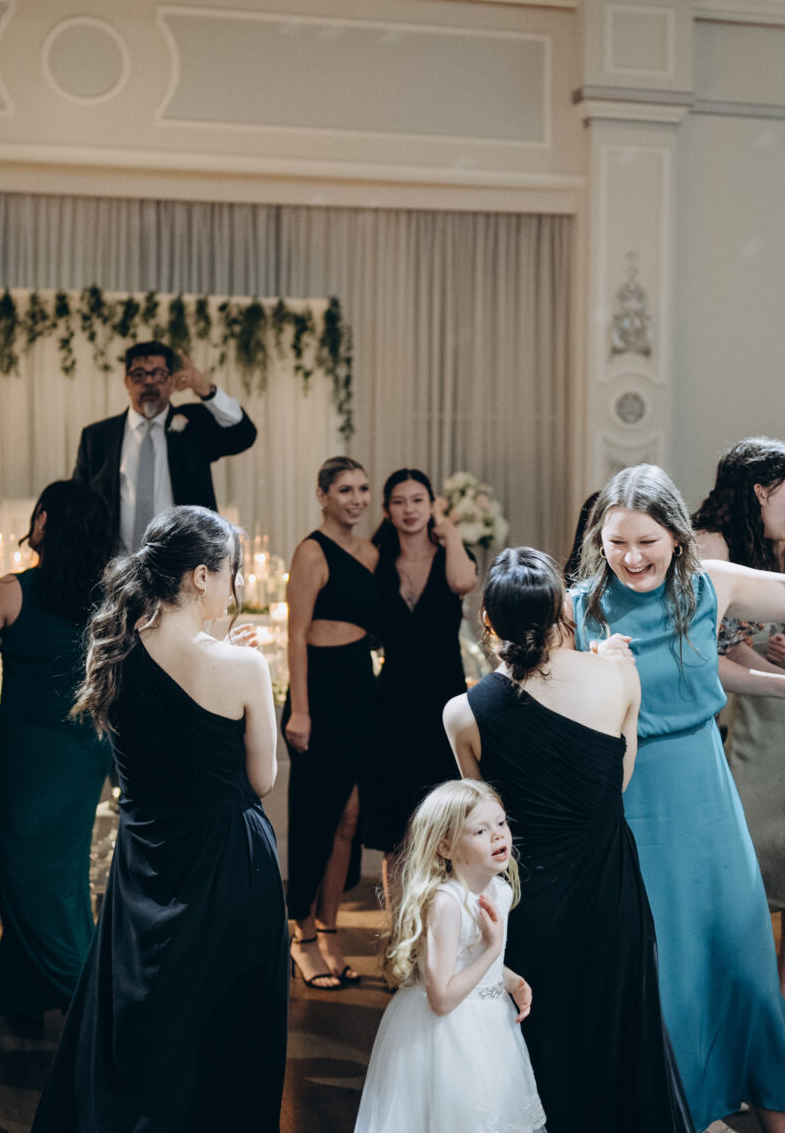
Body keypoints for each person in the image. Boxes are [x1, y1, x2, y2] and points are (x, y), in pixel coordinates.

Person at [568, 462, 785, 1132]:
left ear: (676, 537)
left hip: (704, 794)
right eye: (617, 543)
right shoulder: (579, 606)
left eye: (646, 542)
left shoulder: (708, 583)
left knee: (740, 960)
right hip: (626, 801)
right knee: (662, 969)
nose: (631, 557)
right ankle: (675, 1111)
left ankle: (778, 1114)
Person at [31, 505, 286, 1133]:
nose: (235, 585)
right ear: (200, 576)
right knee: (223, 1022)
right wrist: (239, 668)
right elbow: (261, 780)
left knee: (149, 1009)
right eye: (231, 572)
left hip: (146, 857)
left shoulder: (115, 647)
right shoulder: (245, 666)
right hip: (226, 859)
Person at [443, 547, 692, 1133]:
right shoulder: (619, 675)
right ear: (563, 609)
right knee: (614, 1036)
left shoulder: (462, 712)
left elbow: (488, 821)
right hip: (609, 889)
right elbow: (617, 784)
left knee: (540, 1041)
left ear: (489, 622)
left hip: (529, 897)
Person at [0, 482, 112, 1020]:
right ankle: (21, 991)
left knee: (28, 871)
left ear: (43, 524)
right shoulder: (115, 598)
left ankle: (90, 999)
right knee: (59, 873)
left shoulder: (10, 591)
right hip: (87, 749)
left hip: (30, 754)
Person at [692, 438, 785, 1028]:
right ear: (760, 491)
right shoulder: (709, 550)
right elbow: (700, 660)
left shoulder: (738, 548)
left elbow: (729, 645)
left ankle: (748, 1004)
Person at [353, 779, 545, 1133]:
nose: (498, 835)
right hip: (446, 1033)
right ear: (445, 846)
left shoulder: (499, 890)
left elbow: (471, 960)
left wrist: (509, 979)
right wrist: (492, 950)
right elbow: (441, 999)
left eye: (501, 823)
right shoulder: (447, 904)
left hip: (490, 1025)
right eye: (480, 831)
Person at [282, 457, 378, 990]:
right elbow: (295, 635)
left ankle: (329, 930)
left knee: (350, 817)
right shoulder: (311, 552)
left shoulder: (371, 553)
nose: (357, 499)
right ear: (323, 496)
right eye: (345, 490)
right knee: (314, 816)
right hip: (317, 692)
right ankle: (300, 935)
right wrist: (300, 709)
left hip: (359, 688)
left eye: (363, 489)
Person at [364, 469, 476, 862]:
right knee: (395, 825)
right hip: (392, 698)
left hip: (444, 697)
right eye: (399, 502)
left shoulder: (450, 553)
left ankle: (441, 901)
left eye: (418, 500)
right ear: (386, 510)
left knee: (444, 816)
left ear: (432, 506)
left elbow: (462, 583)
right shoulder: (377, 559)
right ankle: (398, 906)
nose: (409, 510)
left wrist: (451, 533)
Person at [71, 339, 259, 552]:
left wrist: (205, 389)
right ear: (127, 382)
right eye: (139, 374)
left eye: (158, 374)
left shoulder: (195, 424)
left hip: (185, 562)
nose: (149, 381)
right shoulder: (97, 437)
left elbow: (244, 434)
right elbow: (78, 504)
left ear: (171, 381)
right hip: (114, 563)